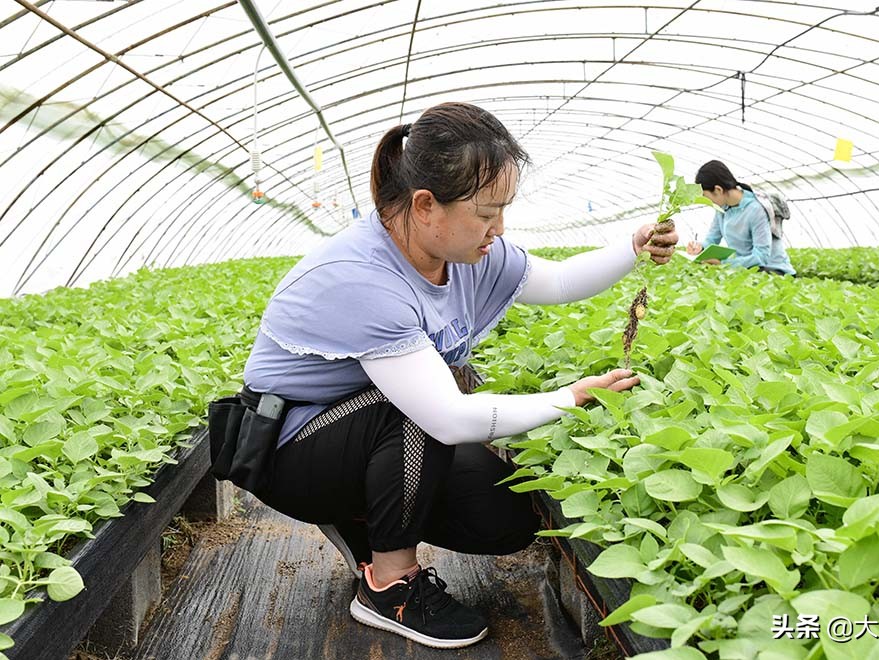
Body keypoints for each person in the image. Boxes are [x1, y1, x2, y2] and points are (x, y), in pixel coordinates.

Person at [240, 102, 678, 649]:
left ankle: (360, 519)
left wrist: (632, 247)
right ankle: (389, 585)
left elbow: (561, 281)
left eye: (504, 210)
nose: (499, 229)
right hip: (287, 447)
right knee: (418, 409)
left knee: (504, 519)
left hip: (360, 426)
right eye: (488, 212)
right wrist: (568, 397)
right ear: (425, 206)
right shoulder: (361, 276)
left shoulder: (465, 250)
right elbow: (445, 418)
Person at [686, 160, 795, 275]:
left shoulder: (756, 209)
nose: (706, 202)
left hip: (773, 270)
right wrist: (699, 247)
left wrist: (723, 264)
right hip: (745, 269)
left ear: (718, 190)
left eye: (706, 197)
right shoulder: (722, 209)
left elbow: (761, 257)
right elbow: (712, 239)